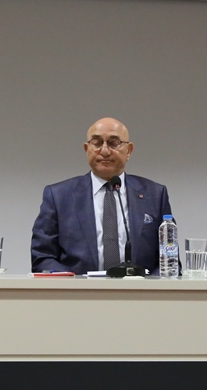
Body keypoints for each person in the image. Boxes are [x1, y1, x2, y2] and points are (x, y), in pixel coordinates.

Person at [31, 117, 174, 274]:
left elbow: (170, 261)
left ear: (129, 151)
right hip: (78, 288)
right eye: (97, 143)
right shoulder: (58, 196)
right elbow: (42, 257)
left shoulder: (154, 195)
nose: (105, 151)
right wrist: (72, 282)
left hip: (139, 288)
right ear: (87, 149)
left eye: (114, 143)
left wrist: (148, 285)